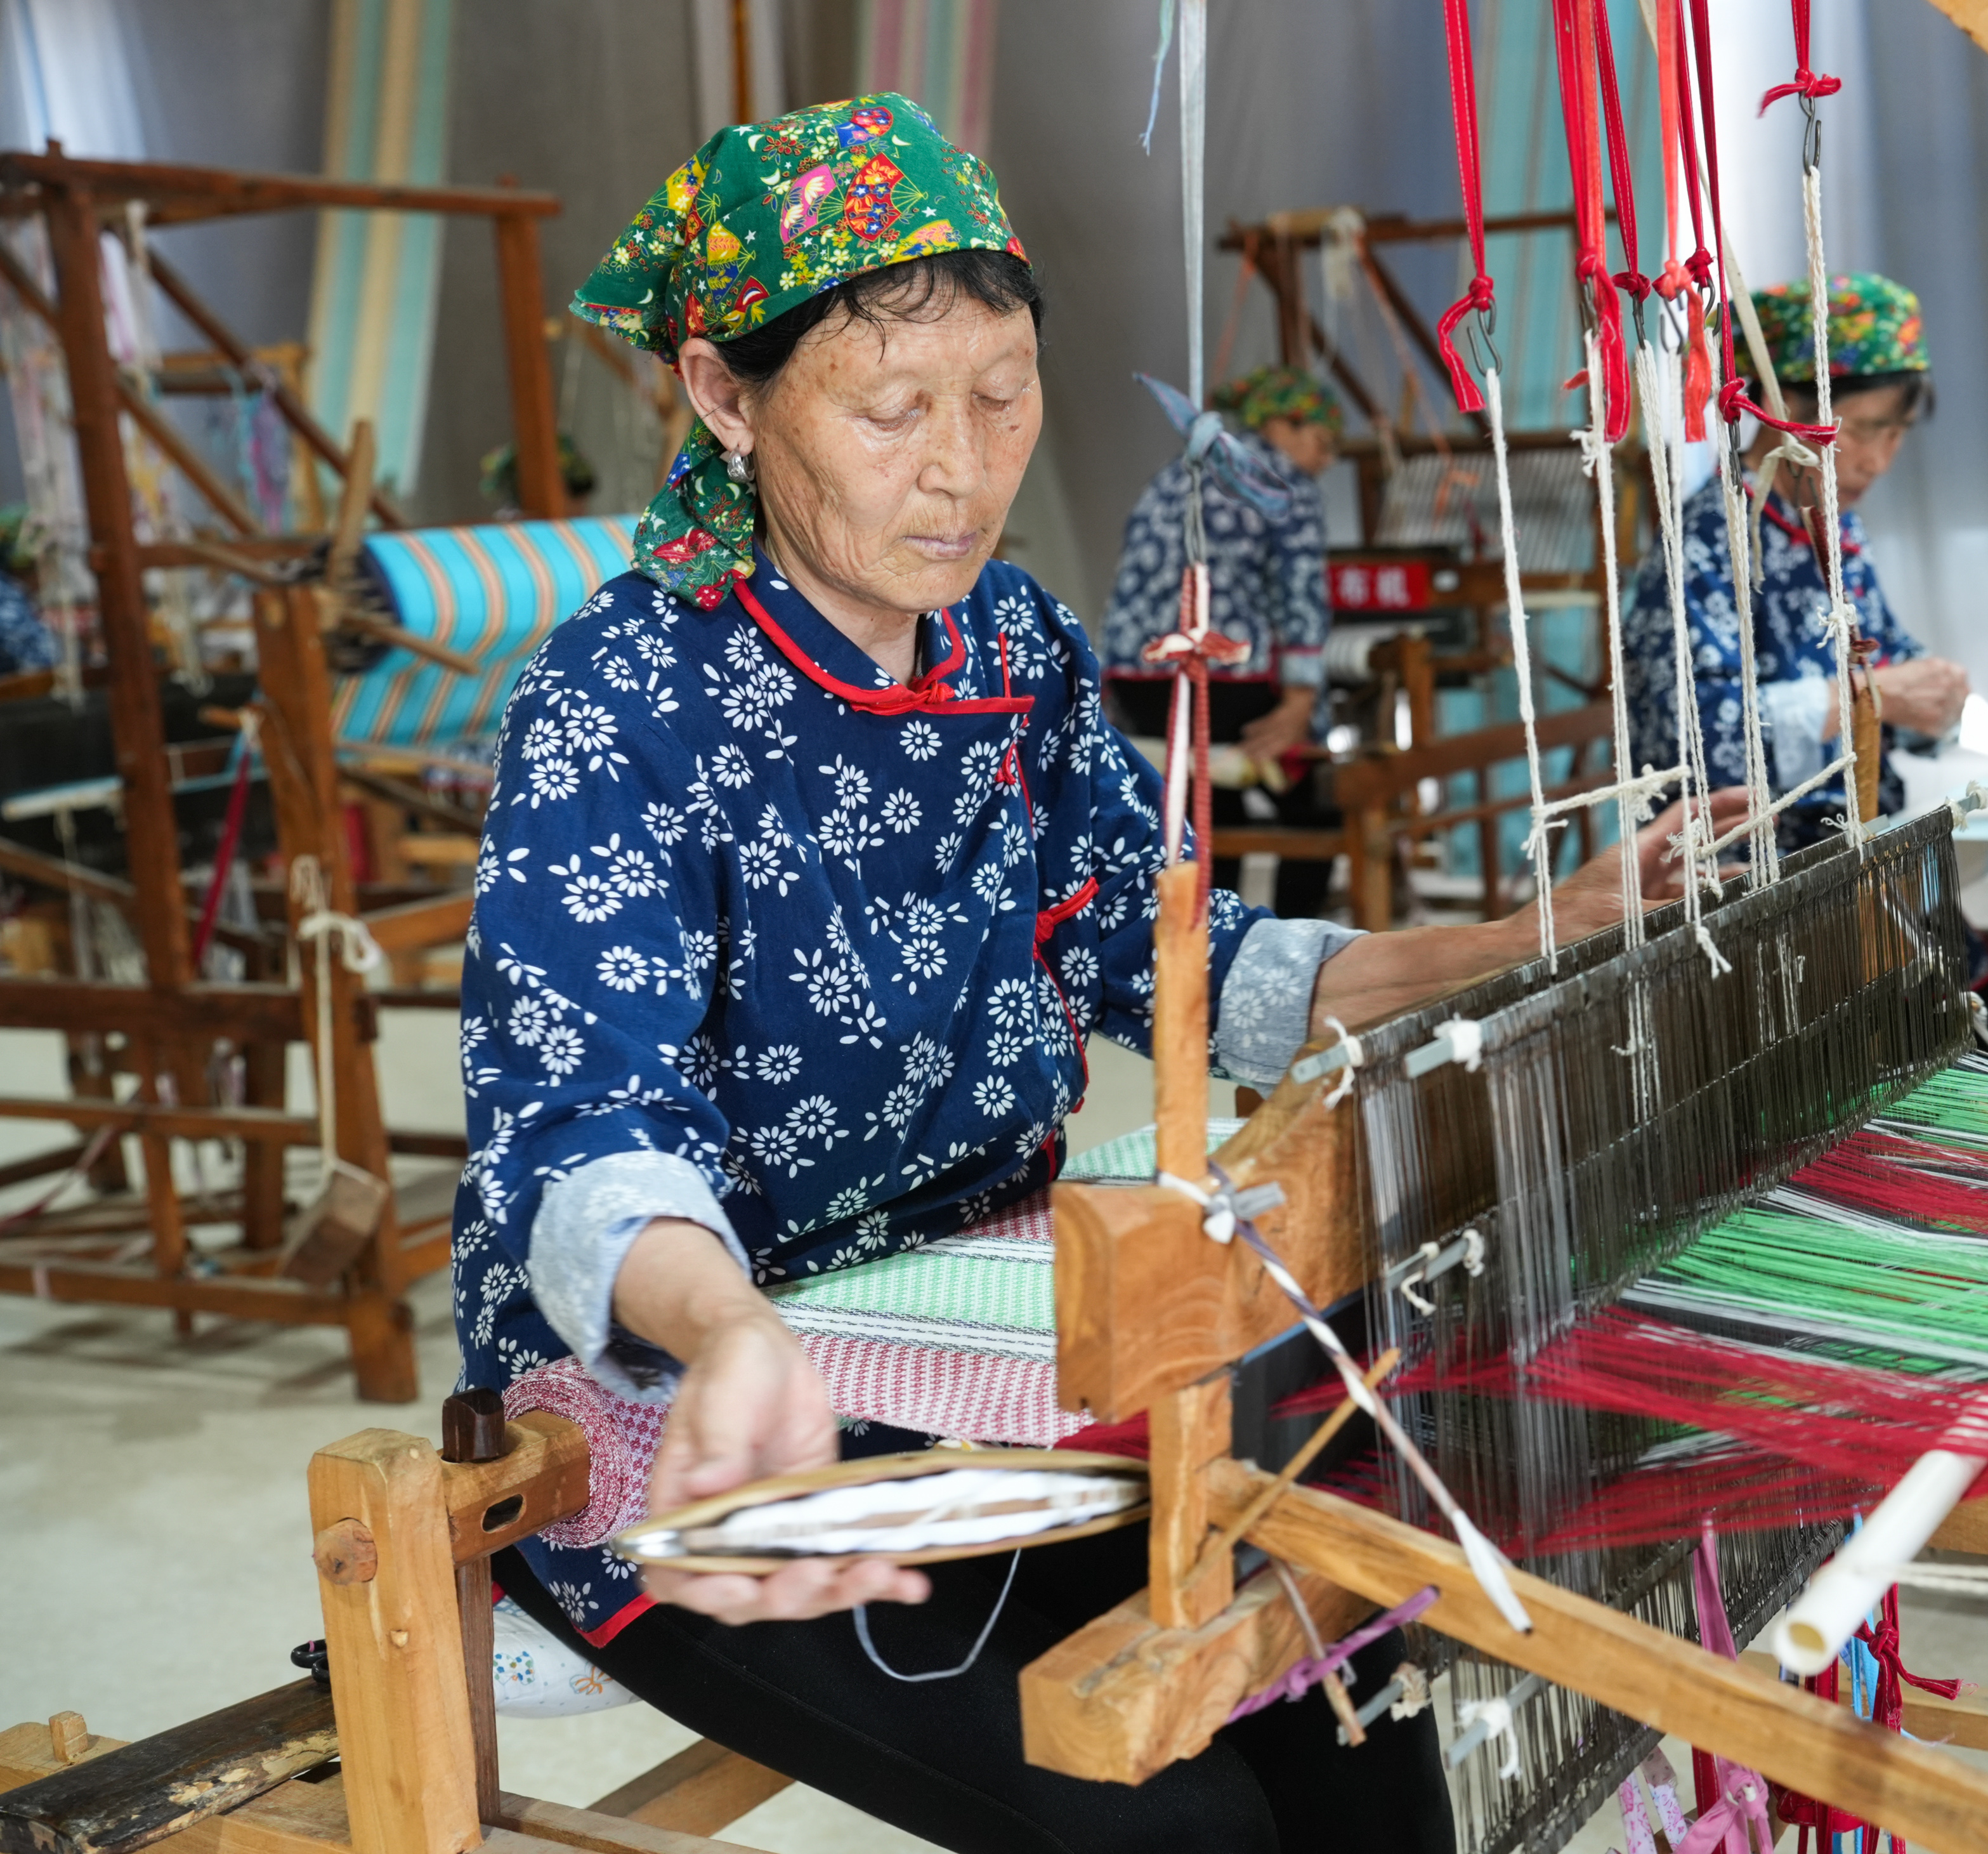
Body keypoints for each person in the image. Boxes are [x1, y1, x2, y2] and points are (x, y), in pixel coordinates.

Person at [455, 95, 1734, 1854]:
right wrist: (732, 1329)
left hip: (986, 1346)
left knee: (1358, 1718)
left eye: (1000, 396)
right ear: (723, 397)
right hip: (699, 1411)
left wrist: (1527, 936)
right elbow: (589, 1125)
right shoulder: (620, 698)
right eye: (892, 409)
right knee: (1164, 1824)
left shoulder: (1016, 648)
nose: (962, 468)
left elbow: (1183, 968)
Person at [1622, 274, 1988, 1081]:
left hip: (1877, 895)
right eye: (1862, 428)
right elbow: (1690, 751)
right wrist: (1869, 700)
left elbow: (1887, 656)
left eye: (1896, 433)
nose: (1877, 458)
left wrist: (1935, 695)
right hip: (1770, 922)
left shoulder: (1834, 528)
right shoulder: (1702, 546)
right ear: (1782, 408)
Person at [1101, 364, 1342, 917]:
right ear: (1282, 425)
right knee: (1319, 801)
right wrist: (1303, 702)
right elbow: (1300, 593)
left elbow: (1127, 583)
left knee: (1214, 808)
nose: (1325, 461)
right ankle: (1298, 944)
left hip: (1139, 682)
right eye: (1322, 442)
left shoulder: (1175, 473)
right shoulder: (1277, 478)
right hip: (1221, 677)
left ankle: (1212, 943)